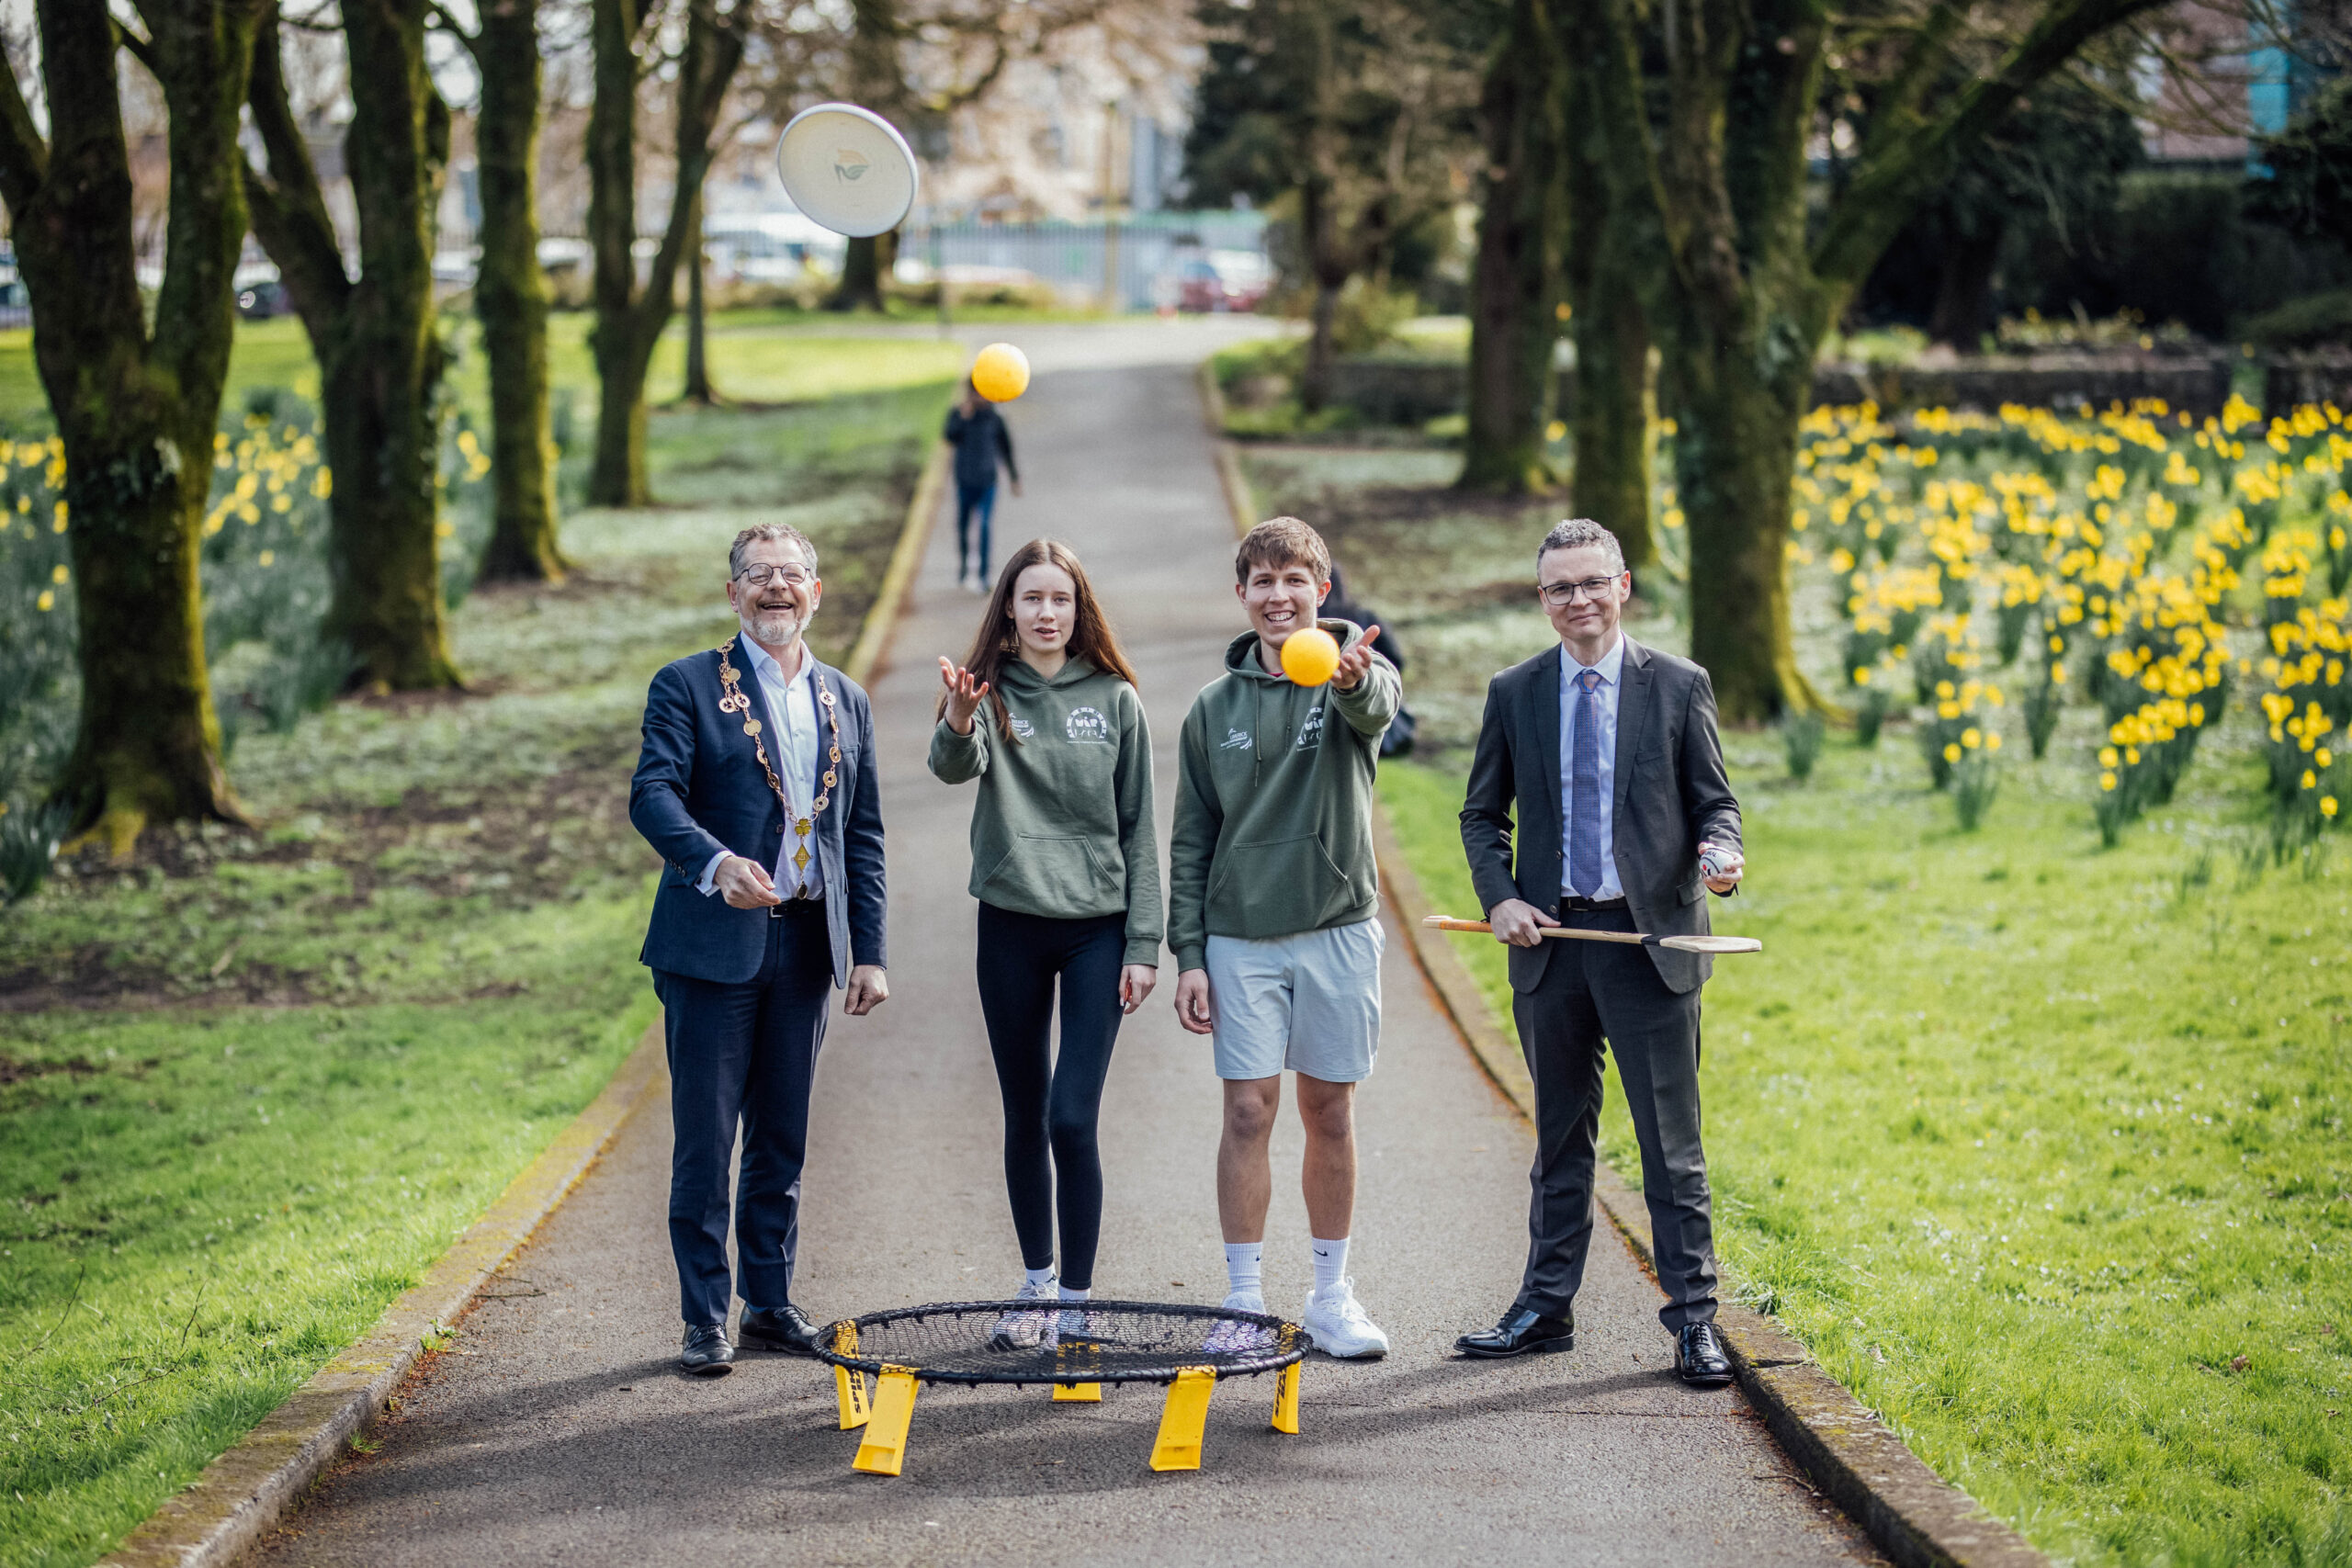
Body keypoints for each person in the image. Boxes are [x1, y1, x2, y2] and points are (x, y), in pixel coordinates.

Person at [1453, 516, 1746, 1387]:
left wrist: (1719, 856)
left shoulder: (1679, 684)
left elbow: (1716, 805)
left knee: (1671, 1145)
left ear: (1623, 585)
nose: (1578, 599)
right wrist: (1500, 897)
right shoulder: (1515, 692)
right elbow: (1480, 815)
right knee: (1558, 1139)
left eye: (1592, 582)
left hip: (1650, 944)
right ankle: (1546, 1308)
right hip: (1552, 947)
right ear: (1542, 601)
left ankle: (1694, 1319)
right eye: (1559, 588)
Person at [628, 522, 889, 1376]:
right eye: (757, 575)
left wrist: (869, 951)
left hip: (807, 946)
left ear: (817, 592)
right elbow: (652, 795)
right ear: (731, 592)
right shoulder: (688, 685)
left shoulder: (846, 697)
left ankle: (770, 1303)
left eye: (792, 574)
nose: (776, 587)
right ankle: (705, 1317)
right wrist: (714, 861)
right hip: (712, 948)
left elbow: (865, 834)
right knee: (706, 1143)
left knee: (781, 1137)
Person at [1168, 516, 1402, 1359]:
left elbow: (1375, 710)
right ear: (1242, 597)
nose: (1278, 595)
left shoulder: (1358, 674)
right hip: (1240, 938)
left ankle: (1332, 1294)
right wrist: (1188, 956)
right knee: (1245, 1109)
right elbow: (1191, 839)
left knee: (1329, 1109)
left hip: (1337, 929)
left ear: (1321, 590)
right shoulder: (1211, 708)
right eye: (1261, 582)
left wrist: (1351, 679)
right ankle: (1242, 1301)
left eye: (1293, 579)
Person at [929, 540, 1162, 1342]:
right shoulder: (987, 694)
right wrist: (961, 714)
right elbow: (952, 766)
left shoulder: (1115, 699)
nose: (1046, 612)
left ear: (1078, 608)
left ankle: (1078, 1299)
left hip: (1097, 931)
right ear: (1009, 610)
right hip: (1012, 925)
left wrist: (1145, 943)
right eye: (1031, 599)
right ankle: (1035, 1286)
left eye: (1059, 599)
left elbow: (1141, 830)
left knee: (1072, 1117)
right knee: (1024, 1112)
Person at [943, 378, 1022, 592]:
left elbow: (1006, 448)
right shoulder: (959, 414)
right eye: (975, 393)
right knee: (963, 527)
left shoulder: (995, 418)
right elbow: (949, 436)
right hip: (964, 481)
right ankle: (963, 567)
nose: (979, 397)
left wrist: (1014, 477)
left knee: (985, 526)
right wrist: (962, 417)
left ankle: (984, 575)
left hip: (988, 482)